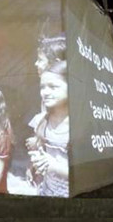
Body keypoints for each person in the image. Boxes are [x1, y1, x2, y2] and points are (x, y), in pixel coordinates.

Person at [26, 64, 69, 197]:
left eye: (53, 87)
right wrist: (33, 164)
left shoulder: (80, 126)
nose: (45, 92)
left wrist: (53, 165)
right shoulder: (41, 120)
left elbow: (87, 175)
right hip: (47, 191)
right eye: (42, 87)